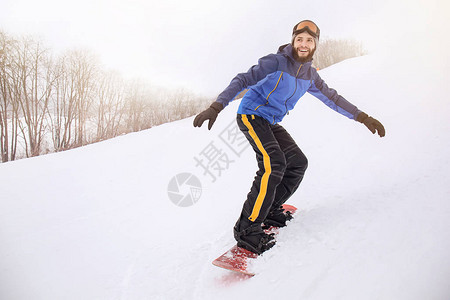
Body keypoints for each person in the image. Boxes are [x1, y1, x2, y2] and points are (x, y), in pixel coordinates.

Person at [193, 20, 385, 254]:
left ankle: (271, 208)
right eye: (299, 39)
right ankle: (247, 230)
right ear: (293, 41)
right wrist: (216, 107)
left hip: (270, 121)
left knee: (297, 164)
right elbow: (242, 79)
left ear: (315, 45)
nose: (303, 44)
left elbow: (332, 98)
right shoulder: (276, 62)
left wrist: (363, 117)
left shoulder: (310, 76)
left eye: (309, 40)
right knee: (273, 165)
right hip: (251, 115)